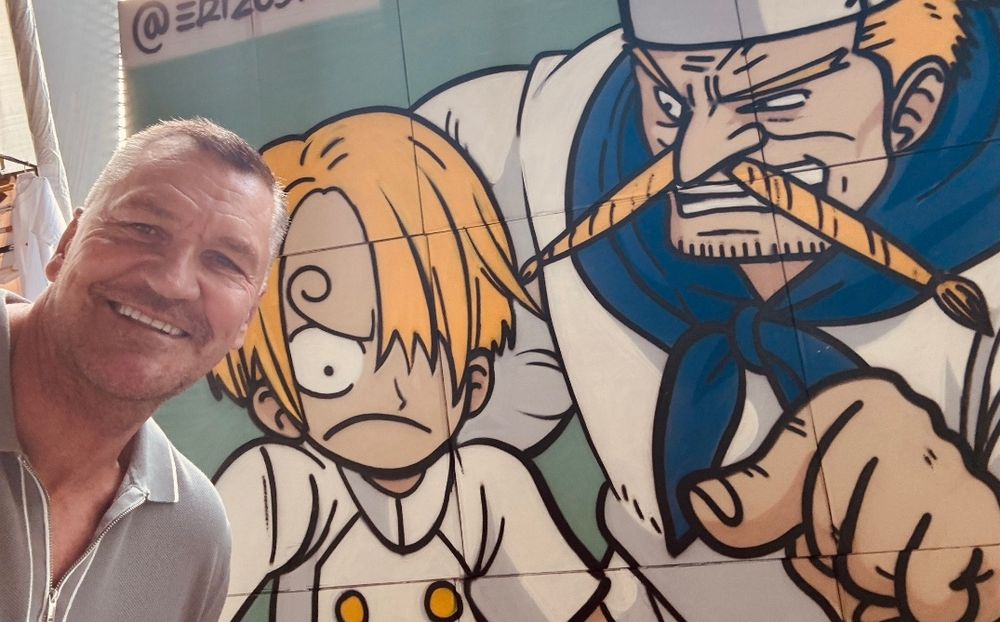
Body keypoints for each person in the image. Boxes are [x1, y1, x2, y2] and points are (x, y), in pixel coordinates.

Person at [416, 0, 1000, 618]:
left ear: (912, 108)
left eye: (776, 102)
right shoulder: (550, 145)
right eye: (671, 106)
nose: (696, 159)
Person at [211, 110, 611, 621]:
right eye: (330, 364)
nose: (391, 389)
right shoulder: (284, 488)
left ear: (474, 383)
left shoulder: (485, 484)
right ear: (275, 408)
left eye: (420, 354)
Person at [0, 118, 287, 622]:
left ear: (246, 319)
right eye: (143, 229)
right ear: (66, 244)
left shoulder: (193, 538)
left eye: (224, 261)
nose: (172, 282)